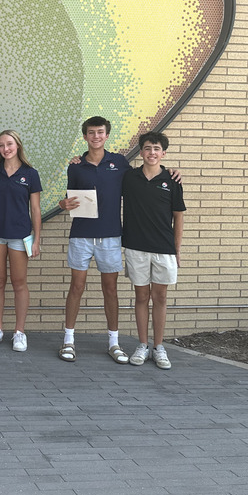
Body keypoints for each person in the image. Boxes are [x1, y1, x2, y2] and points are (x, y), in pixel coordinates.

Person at [58, 116, 181, 364]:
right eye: (91, 133)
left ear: (106, 135)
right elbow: (70, 199)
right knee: (76, 287)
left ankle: (113, 343)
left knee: (110, 290)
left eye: (100, 132)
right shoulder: (76, 166)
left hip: (111, 236)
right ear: (85, 136)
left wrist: (171, 172)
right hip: (81, 235)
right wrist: (63, 204)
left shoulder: (119, 163)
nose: (96, 137)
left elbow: (149, 173)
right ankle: (68, 341)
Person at [122, 131, 186, 370]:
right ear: (141, 152)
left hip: (163, 248)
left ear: (163, 153)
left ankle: (159, 347)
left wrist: (177, 249)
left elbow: (178, 217)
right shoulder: (129, 178)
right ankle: (142, 345)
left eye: (156, 149)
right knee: (141, 297)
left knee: (160, 297)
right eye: (148, 148)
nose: (152, 153)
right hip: (136, 247)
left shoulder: (173, 180)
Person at [0, 130, 41, 352]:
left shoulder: (30, 173)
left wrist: (36, 239)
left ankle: (19, 332)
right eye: (1, 145)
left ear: (17, 145)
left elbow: (35, 209)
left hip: (20, 235)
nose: (5, 149)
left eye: (9, 144)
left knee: (19, 283)